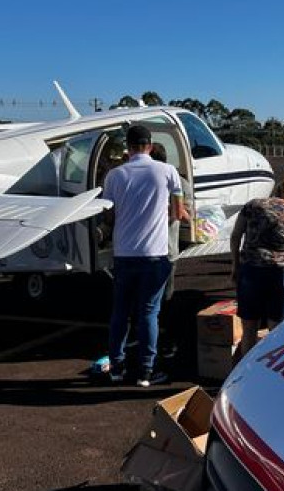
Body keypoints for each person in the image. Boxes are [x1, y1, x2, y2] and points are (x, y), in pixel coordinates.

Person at [102, 124, 186, 387]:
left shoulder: (115, 175)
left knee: (120, 313)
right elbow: (177, 212)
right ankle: (146, 372)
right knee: (149, 313)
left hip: (124, 254)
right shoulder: (167, 171)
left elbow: (108, 214)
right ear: (149, 145)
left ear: (128, 148)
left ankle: (116, 367)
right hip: (155, 254)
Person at [230, 177, 284, 364]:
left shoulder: (252, 206)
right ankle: (272, 369)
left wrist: (236, 265)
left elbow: (235, 236)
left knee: (249, 328)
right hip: (282, 274)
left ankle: (246, 371)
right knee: (276, 330)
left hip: (251, 269)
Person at [149, 142, 191, 358]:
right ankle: (163, 342)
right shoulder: (179, 181)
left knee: (153, 301)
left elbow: (183, 211)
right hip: (166, 250)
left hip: (148, 249)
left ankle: (159, 341)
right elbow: (186, 213)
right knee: (164, 299)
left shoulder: (144, 180)